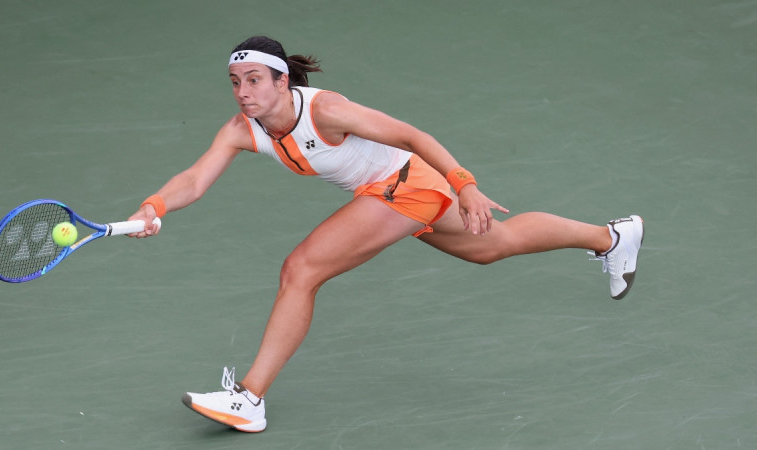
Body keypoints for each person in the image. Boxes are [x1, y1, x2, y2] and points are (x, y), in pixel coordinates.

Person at [127, 35, 644, 433]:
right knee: (493, 246)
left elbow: (410, 135)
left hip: (406, 186)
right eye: (236, 82)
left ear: (282, 82)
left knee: (301, 270)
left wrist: (465, 184)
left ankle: (249, 398)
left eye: (255, 80)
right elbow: (194, 179)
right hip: (399, 191)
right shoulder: (242, 130)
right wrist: (154, 206)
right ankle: (611, 238)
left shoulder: (325, 110)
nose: (244, 92)